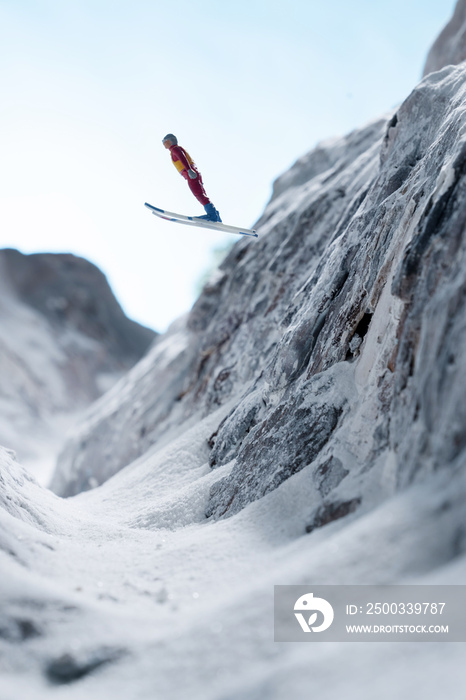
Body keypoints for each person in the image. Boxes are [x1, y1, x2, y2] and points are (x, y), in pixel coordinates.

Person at [162, 134, 222, 222]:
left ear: (170, 141)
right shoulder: (177, 148)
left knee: (199, 195)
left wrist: (189, 170)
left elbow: (181, 156)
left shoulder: (175, 149)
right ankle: (216, 215)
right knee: (202, 194)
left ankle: (212, 216)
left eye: (164, 141)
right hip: (194, 173)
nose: (163, 144)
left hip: (190, 174)